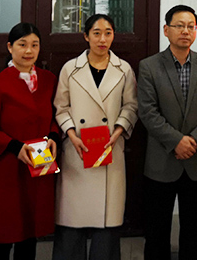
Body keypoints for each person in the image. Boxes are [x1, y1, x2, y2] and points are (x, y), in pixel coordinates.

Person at [137, 4, 197, 260]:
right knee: (156, 232)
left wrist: (194, 140)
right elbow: (147, 112)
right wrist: (176, 141)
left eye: (190, 26)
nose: (185, 31)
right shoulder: (149, 66)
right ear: (166, 30)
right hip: (161, 162)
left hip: (195, 162)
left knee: (193, 231)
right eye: (179, 26)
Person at [52, 14, 138, 260]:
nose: (102, 39)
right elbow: (61, 107)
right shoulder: (70, 68)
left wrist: (118, 131)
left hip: (110, 150)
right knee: (72, 220)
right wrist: (71, 134)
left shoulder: (123, 69)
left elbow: (131, 106)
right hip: (77, 151)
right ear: (86, 36)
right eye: (97, 33)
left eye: (108, 33)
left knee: (107, 224)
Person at [0, 23, 59, 260]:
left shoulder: (49, 80)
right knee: (5, 231)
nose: (29, 51)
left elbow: (56, 116)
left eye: (34, 45)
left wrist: (54, 136)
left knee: (30, 231)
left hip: (40, 162)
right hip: (8, 165)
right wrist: (14, 146)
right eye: (22, 45)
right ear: (10, 47)